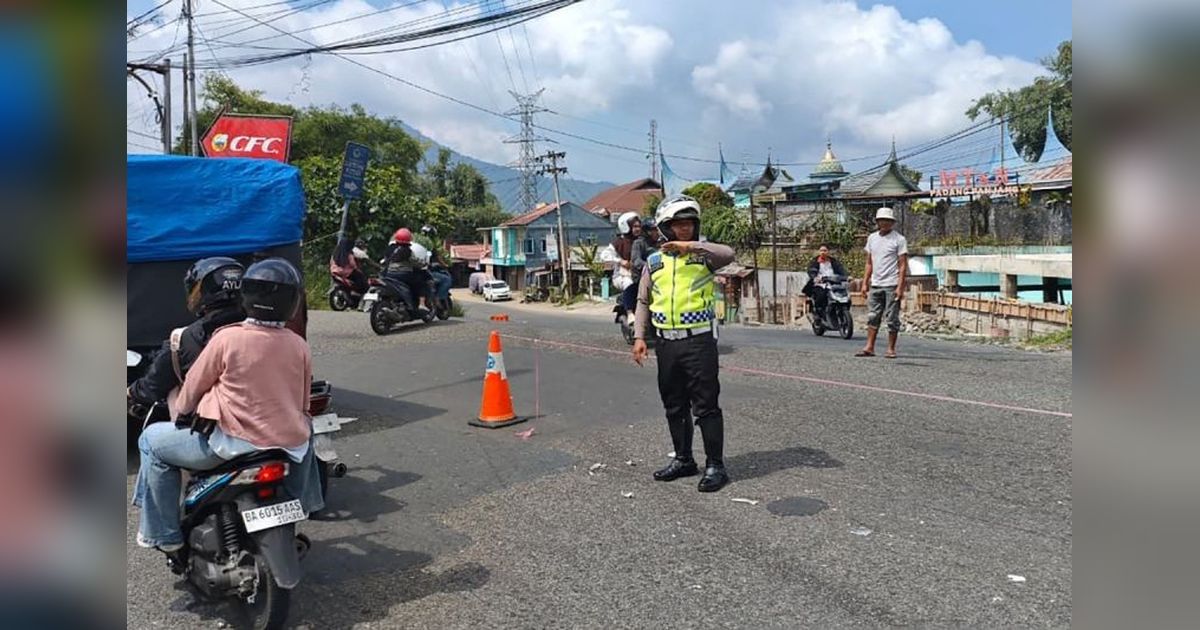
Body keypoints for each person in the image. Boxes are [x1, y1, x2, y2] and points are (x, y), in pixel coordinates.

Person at [132, 258, 322, 552]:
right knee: (306, 430)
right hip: (285, 444)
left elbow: (191, 389)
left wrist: (183, 414)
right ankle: (306, 504)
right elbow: (303, 400)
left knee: (150, 441)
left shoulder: (222, 339)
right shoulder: (298, 344)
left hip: (232, 443)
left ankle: (162, 534)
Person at [632, 195, 735, 492]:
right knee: (673, 404)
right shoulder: (654, 261)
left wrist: (690, 246)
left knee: (706, 406)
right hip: (666, 344)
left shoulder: (703, 256)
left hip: (699, 341)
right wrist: (640, 337)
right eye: (678, 224)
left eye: (689, 223)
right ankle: (684, 459)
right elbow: (642, 301)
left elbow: (729, 253)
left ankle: (716, 465)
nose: (685, 229)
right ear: (666, 227)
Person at [127, 257, 246, 414]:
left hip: (214, 430)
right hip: (269, 426)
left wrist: (130, 392)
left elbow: (151, 388)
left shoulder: (182, 340)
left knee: (149, 436)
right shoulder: (272, 332)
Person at [857, 207, 908, 359]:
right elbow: (869, 263)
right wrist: (865, 283)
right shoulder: (872, 238)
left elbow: (903, 264)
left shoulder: (899, 239)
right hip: (876, 283)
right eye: (882, 220)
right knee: (873, 316)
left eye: (888, 221)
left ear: (892, 223)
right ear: (878, 222)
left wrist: (900, 287)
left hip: (891, 283)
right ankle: (869, 347)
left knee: (892, 318)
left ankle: (891, 349)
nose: (884, 223)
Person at [381, 227, 427, 312]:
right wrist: (423, 263)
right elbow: (415, 262)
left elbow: (385, 258)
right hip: (403, 275)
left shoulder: (390, 248)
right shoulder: (408, 251)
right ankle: (422, 304)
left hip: (389, 274)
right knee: (421, 282)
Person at [802, 244, 848, 318]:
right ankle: (819, 314)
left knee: (844, 294)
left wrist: (847, 277)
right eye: (821, 250)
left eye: (825, 250)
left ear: (828, 252)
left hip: (833, 283)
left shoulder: (833, 261)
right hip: (820, 284)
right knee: (821, 295)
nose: (823, 252)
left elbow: (841, 270)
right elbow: (812, 271)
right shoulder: (815, 261)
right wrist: (815, 277)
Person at [612, 212, 642, 321]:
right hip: (622, 276)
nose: (638, 229)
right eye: (634, 226)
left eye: (639, 226)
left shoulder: (642, 241)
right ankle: (630, 313)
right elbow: (604, 255)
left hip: (639, 273)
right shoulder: (619, 242)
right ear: (626, 226)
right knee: (629, 283)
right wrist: (620, 261)